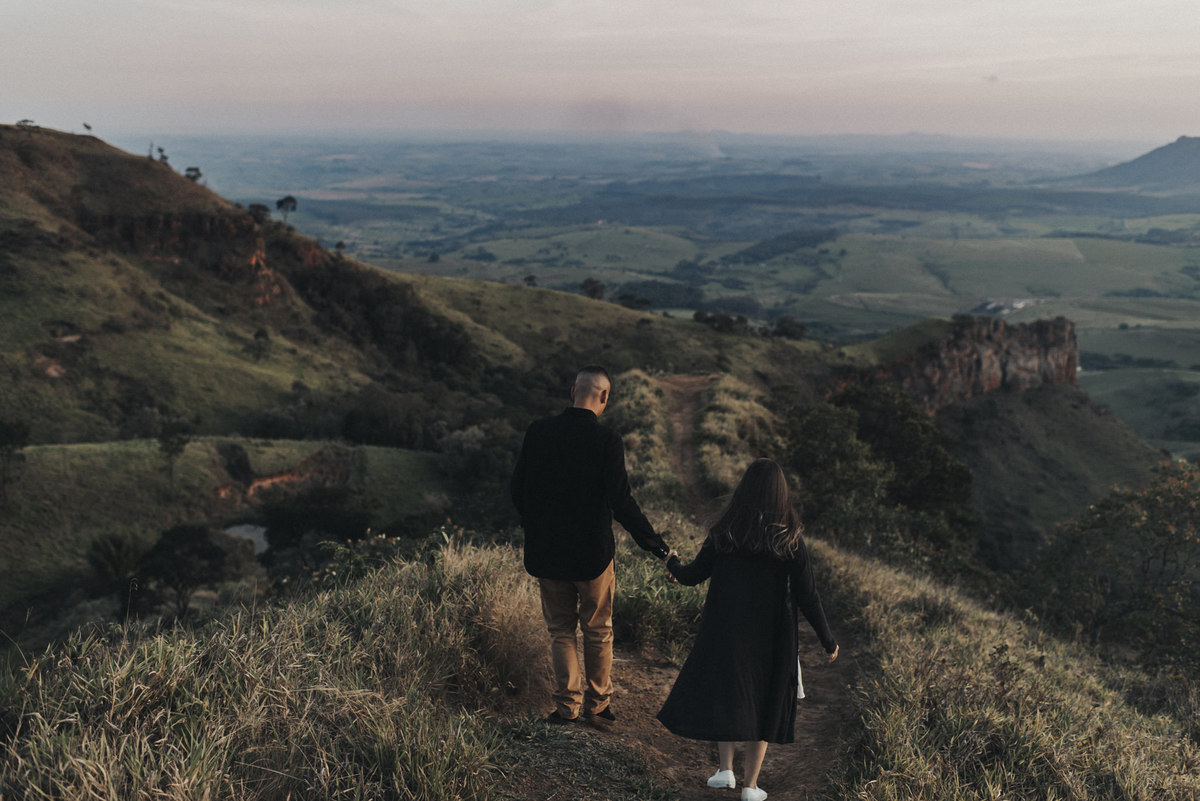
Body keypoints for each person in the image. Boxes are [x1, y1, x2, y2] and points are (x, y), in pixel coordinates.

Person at [657, 458, 838, 801]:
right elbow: (808, 597)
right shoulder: (790, 541)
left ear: (743, 492)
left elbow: (692, 576)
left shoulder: (724, 533)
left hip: (726, 633)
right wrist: (828, 641)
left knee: (730, 695)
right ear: (781, 496)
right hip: (772, 638)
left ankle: (725, 770)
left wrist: (672, 563)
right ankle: (751, 787)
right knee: (765, 702)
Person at [510, 365, 676, 724]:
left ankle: (566, 706)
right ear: (604, 398)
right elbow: (622, 502)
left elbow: (517, 488)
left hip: (547, 553)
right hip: (592, 555)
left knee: (560, 630)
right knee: (598, 630)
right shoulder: (606, 440)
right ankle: (597, 705)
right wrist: (657, 546)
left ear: (572, 392)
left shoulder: (538, 431)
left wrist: (537, 526)